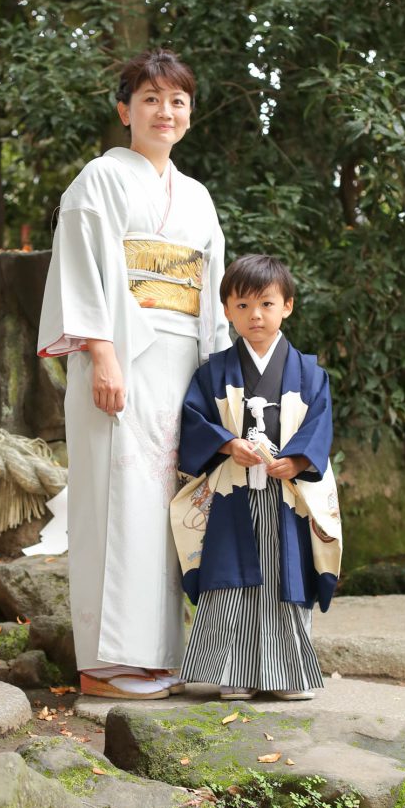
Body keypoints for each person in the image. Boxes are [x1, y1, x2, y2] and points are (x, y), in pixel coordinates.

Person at [37, 49, 231, 699]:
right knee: (115, 502)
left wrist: (218, 373)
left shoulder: (197, 198)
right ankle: (105, 664)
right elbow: (83, 271)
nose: (164, 111)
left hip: (180, 360)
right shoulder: (98, 179)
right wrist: (102, 355)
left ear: (189, 114)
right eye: (150, 98)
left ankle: (158, 656)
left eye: (176, 101)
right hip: (120, 352)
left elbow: (209, 291)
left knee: (164, 508)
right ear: (125, 110)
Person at [170, 254, 342, 700]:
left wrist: (300, 460)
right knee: (230, 577)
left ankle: (287, 676)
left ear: (287, 305)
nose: (255, 316)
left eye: (266, 303)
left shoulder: (308, 371)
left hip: (287, 492)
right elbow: (194, 419)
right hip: (233, 491)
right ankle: (233, 673)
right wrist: (228, 444)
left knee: (288, 577)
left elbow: (319, 423)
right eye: (242, 306)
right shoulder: (213, 371)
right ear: (226, 310)